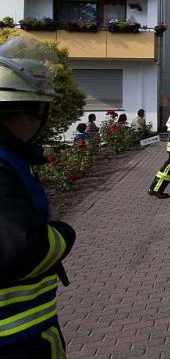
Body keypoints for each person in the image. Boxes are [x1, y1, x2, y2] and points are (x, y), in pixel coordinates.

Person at [0, 36, 76, 358]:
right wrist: (62, 233)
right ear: (27, 111)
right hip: (16, 339)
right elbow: (22, 247)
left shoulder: (9, 156)